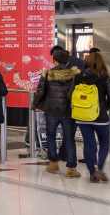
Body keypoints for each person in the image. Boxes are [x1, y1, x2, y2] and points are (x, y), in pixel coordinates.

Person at [32, 49, 81, 178]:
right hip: (69, 111)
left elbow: (40, 91)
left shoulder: (47, 74)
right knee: (70, 139)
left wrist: (35, 105)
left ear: (54, 61)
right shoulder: (75, 74)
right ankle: (71, 168)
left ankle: (53, 162)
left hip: (51, 110)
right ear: (68, 62)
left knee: (51, 135)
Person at [71, 52, 110, 182]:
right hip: (100, 117)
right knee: (104, 143)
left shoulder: (78, 77)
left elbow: (71, 96)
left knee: (89, 144)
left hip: (82, 116)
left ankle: (92, 173)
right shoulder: (105, 77)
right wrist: (104, 108)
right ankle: (100, 169)